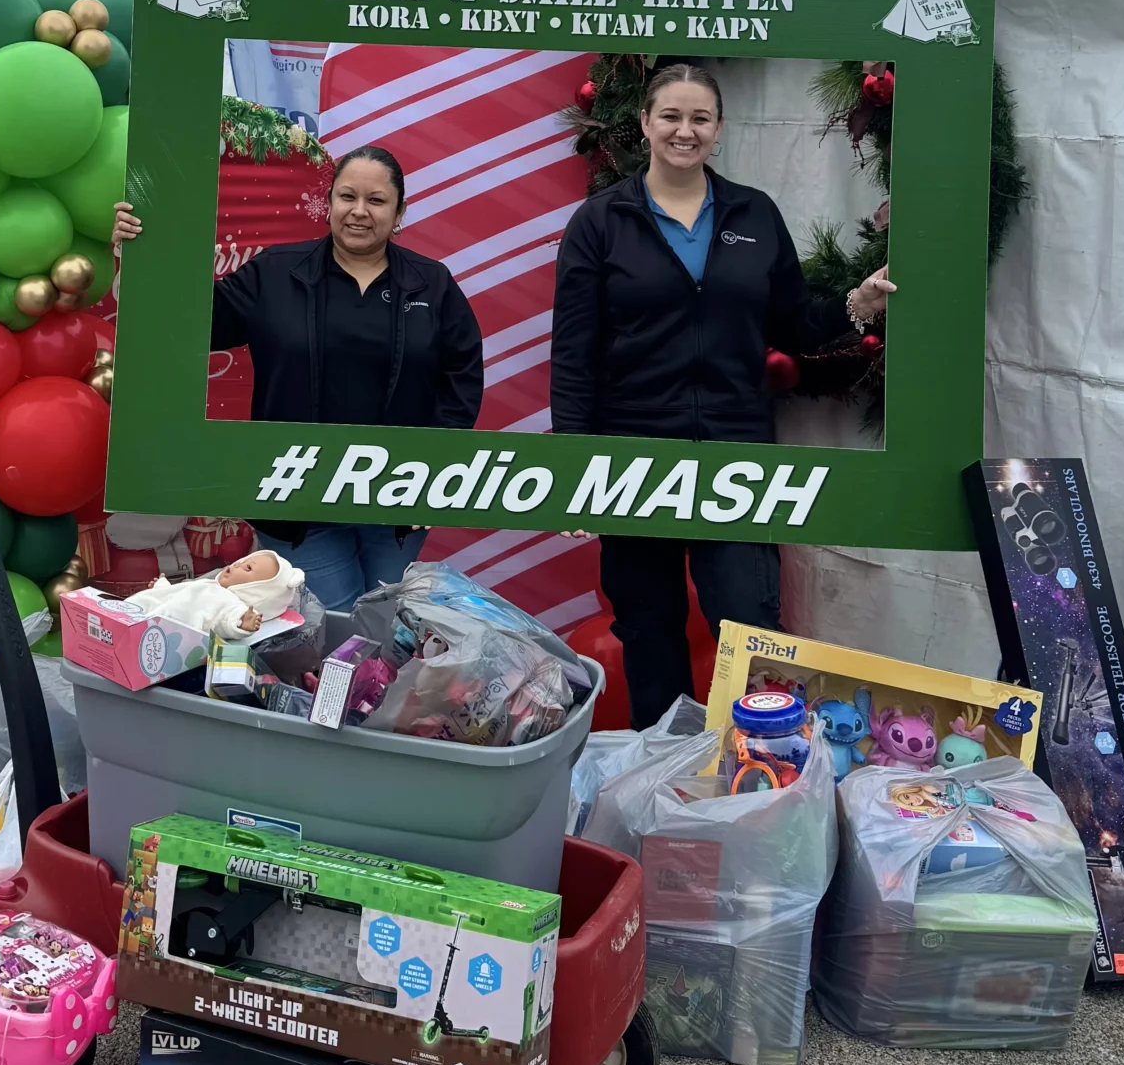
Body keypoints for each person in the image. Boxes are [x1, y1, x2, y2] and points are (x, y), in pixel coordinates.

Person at [550, 61, 895, 727]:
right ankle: (661, 775)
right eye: (671, 116)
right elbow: (573, 354)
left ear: (718, 129)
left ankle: (754, 769)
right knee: (649, 629)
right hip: (633, 455)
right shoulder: (600, 223)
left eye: (699, 118)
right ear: (645, 123)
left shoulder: (753, 214)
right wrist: (574, 462)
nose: (685, 130)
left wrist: (855, 304)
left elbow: (792, 322)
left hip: (735, 454)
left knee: (747, 622)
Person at [110, 144, 483, 609]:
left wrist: (434, 475)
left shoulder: (434, 284)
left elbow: (461, 379)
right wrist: (143, 258)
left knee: (388, 629)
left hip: (396, 498)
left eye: (376, 200)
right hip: (295, 495)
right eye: (347, 197)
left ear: (400, 212)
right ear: (328, 204)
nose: (359, 212)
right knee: (337, 631)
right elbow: (188, 324)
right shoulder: (275, 272)